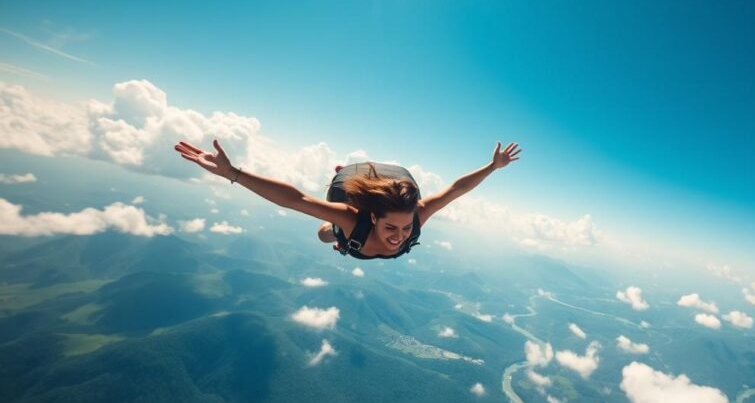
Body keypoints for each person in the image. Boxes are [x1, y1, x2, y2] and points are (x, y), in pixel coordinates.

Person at [174, 140, 521, 259]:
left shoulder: (417, 217)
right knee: (326, 234)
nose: (400, 235)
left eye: (403, 227)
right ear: (372, 218)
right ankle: (348, 183)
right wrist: (233, 173)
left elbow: (455, 191)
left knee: (343, 240)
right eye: (391, 227)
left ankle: (355, 181)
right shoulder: (352, 220)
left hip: (357, 240)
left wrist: (493, 166)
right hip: (348, 236)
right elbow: (294, 199)